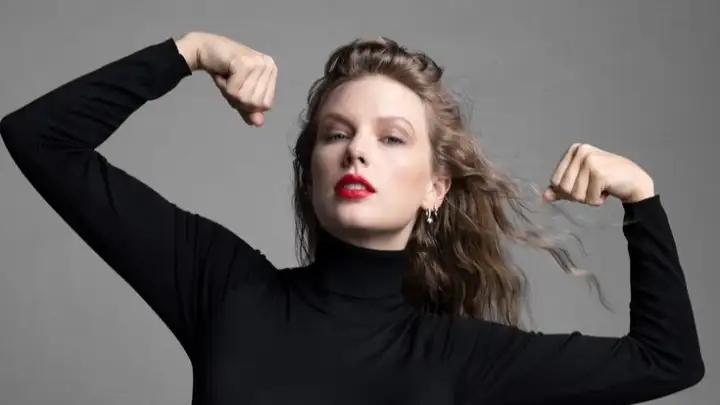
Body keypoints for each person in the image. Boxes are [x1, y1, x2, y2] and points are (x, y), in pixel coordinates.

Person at [0, 31, 704, 405]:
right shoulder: (225, 288)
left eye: (391, 138)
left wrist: (641, 199)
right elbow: (39, 137)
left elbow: (667, 362)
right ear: (310, 171)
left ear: (435, 188)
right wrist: (188, 51)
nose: (356, 149)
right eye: (335, 134)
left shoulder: (456, 355)